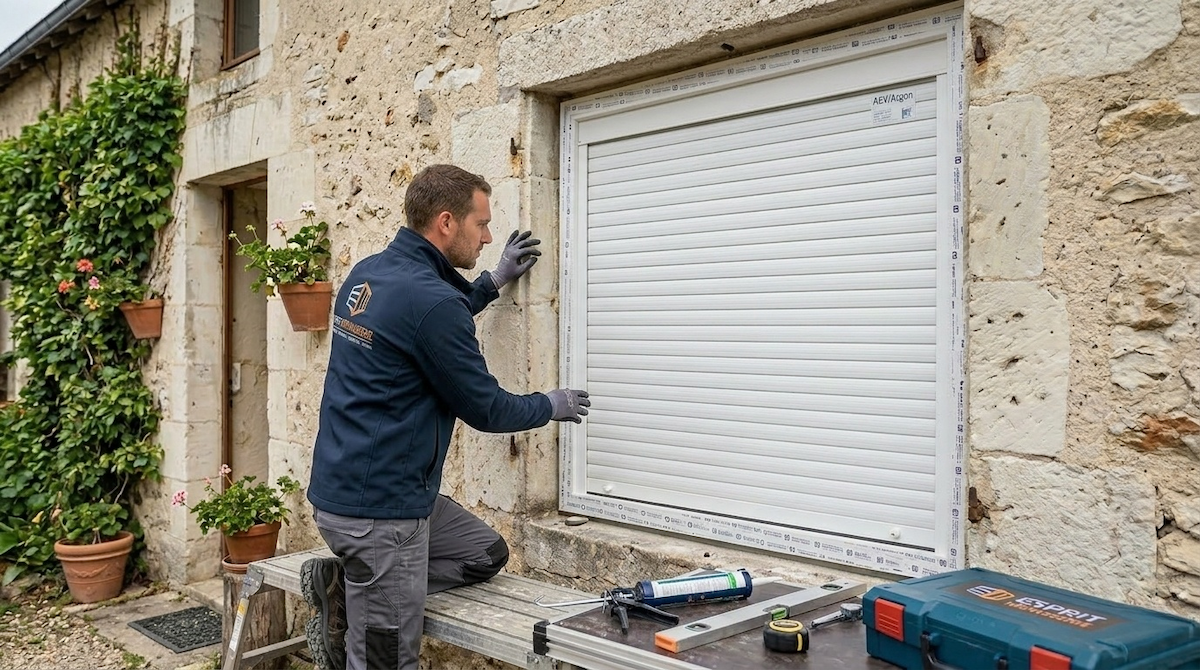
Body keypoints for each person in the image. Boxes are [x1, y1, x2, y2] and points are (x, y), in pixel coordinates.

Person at [300, 164, 590, 670]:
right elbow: (486, 408)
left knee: (485, 553)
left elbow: (424, 325)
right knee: (387, 661)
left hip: (349, 491)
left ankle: (354, 585)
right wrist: (550, 404)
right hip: (382, 516)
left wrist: (492, 281)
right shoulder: (432, 301)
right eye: (482, 224)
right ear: (447, 222)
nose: (489, 237)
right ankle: (371, 591)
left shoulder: (369, 273)